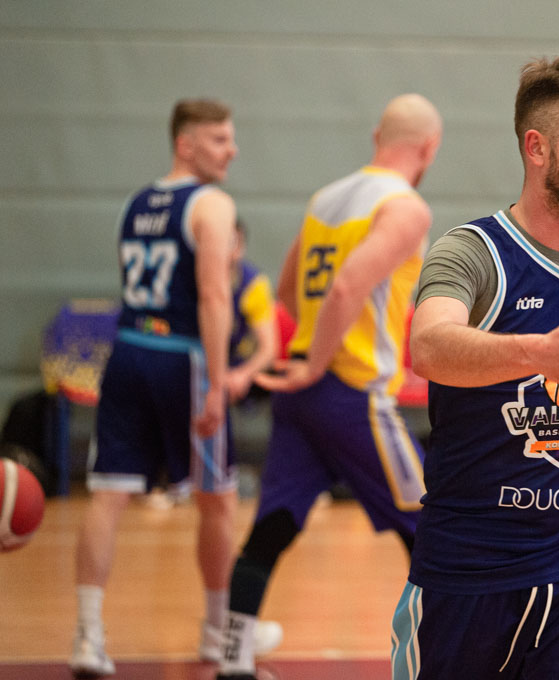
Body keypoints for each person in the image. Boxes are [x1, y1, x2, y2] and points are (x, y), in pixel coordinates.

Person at [390, 55, 559, 680]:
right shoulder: (472, 252)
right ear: (537, 148)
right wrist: (537, 353)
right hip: (470, 572)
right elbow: (429, 347)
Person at [215, 93, 442, 680]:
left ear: (376, 137)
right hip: (351, 390)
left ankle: (233, 659)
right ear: (429, 147)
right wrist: (323, 361)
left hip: (299, 396)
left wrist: (310, 357)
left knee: (274, 524)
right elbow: (346, 287)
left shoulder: (327, 198)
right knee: (435, 526)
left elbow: (288, 290)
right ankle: (443, 659)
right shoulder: (406, 207)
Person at [70, 99, 279, 677]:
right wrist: (215, 381)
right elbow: (213, 296)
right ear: (185, 145)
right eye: (219, 139)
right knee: (217, 499)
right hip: (182, 360)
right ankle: (217, 631)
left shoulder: (135, 203)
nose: (231, 150)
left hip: (128, 350)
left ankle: (87, 636)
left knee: (107, 495)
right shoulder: (212, 204)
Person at [226, 217, 280, 406]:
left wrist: (242, 375)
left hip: (238, 366)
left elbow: (269, 350)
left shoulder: (253, 286)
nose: (228, 251)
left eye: (233, 243)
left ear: (241, 247)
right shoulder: (192, 280)